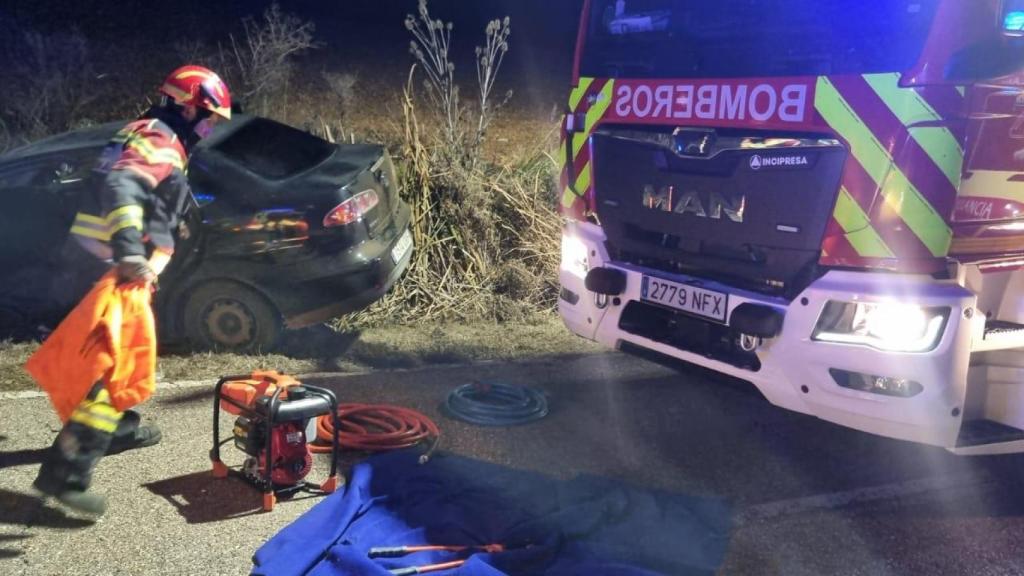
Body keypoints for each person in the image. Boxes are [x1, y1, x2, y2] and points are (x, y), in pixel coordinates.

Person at [32, 65, 232, 517]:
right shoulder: (161, 139)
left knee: (116, 361)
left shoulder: (144, 132)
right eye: (209, 116)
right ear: (187, 107)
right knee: (109, 373)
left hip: (86, 263)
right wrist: (130, 254)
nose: (211, 126)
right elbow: (123, 187)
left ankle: (119, 428)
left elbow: (140, 187)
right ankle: (65, 474)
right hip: (105, 271)